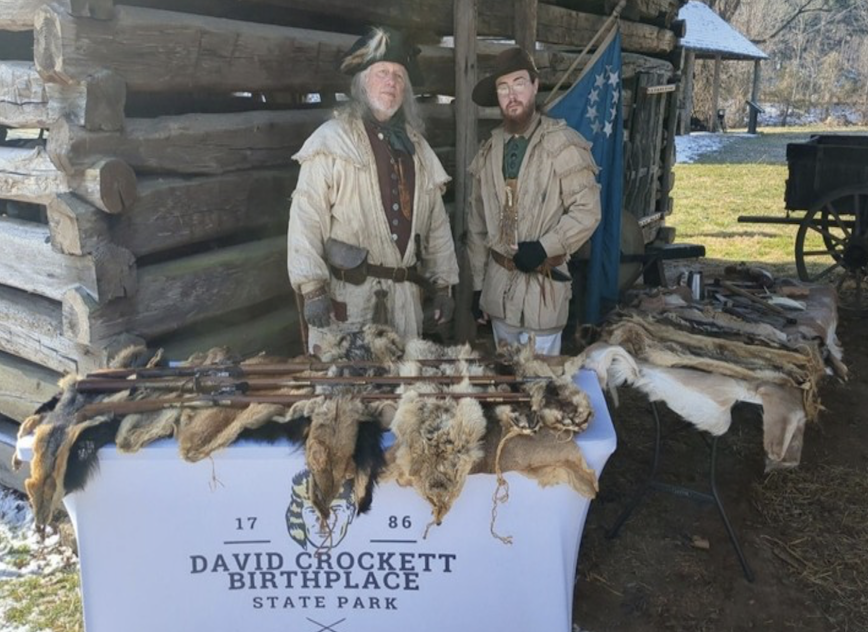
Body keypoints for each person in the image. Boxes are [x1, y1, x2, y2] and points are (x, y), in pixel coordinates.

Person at [287, 27, 459, 353]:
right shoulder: (331, 141)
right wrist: (312, 289)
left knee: (401, 394)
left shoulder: (419, 150)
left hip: (404, 303)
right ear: (362, 83)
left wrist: (443, 287)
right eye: (381, 73)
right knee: (346, 393)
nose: (391, 82)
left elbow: (437, 226)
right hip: (349, 300)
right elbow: (306, 217)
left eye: (398, 75)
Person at [467, 47, 602, 355]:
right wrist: (477, 286)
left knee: (540, 383)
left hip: (544, 293)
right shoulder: (488, 152)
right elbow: (476, 224)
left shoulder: (563, 144)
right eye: (503, 87)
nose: (511, 94)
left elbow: (588, 210)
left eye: (518, 84)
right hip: (498, 291)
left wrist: (545, 246)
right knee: (507, 382)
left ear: (535, 86)